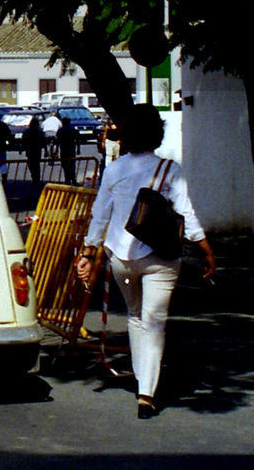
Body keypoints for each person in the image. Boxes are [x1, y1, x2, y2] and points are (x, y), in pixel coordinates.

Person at [75, 104, 217, 419]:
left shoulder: (113, 170)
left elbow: (100, 216)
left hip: (120, 256)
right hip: (161, 257)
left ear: (124, 135)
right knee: (154, 321)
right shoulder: (171, 170)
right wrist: (206, 249)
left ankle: (143, 381)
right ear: (158, 133)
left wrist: (88, 253)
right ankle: (146, 393)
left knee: (136, 317)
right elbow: (187, 215)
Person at [22, 114, 46, 196]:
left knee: (31, 165)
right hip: (37, 150)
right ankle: (37, 178)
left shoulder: (27, 132)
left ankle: (34, 177)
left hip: (30, 151)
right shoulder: (40, 132)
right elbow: (44, 142)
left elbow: (23, 141)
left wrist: (22, 149)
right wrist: (46, 151)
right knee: (37, 164)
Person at [56, 116, 78, 184]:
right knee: (72, 164)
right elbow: (77, 139)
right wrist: (78, 148)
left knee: (65, 165)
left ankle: (67, 179)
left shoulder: (60, 130)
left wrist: (56, 150)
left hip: (63, 149)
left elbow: (58, 141)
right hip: (71, 149)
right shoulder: (73, 129)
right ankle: (73, 179)